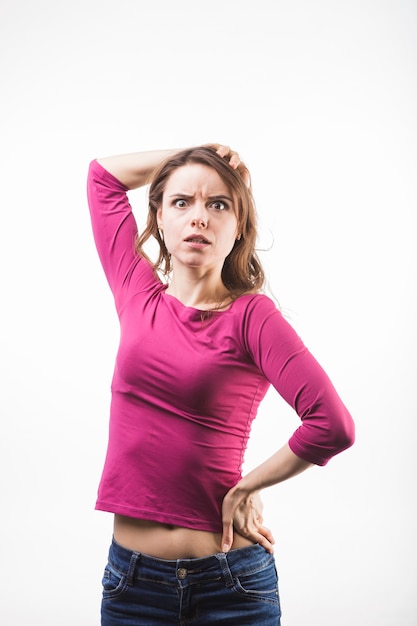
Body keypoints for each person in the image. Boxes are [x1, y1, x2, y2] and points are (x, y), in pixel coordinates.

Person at [87, 143, 355, 626]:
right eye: (181, 202)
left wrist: (247, 486)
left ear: (238, 229)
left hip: (230, 584)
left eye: (218, 205)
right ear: (161, 220)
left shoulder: (253, 317)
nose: (199, 218)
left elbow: (332, 425)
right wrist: (196, 150)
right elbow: (103, 178)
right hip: (132, 585)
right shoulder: (135, 290)